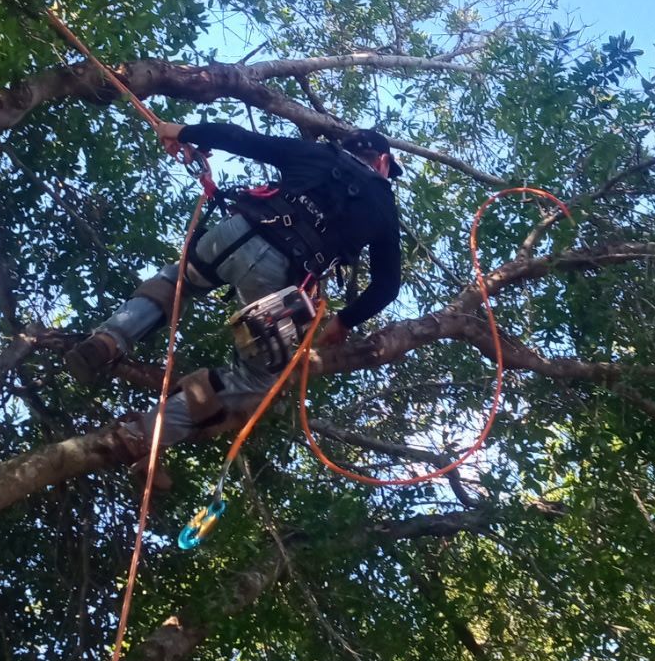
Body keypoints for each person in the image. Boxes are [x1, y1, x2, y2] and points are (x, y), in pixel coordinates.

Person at [62, 117, 404, 446]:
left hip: (231, 237)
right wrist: (344, 321)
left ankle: (108, 339)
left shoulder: (317, 153)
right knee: (257, 381)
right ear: (383, 162)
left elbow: (238, 138)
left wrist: (181, 131)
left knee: (177, 280)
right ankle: (142, 436)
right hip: (277, 280)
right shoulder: (383, 204)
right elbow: (387, 284)